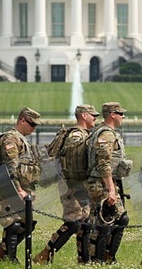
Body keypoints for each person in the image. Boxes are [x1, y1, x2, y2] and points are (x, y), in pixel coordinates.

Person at [35, 103, 98, 264]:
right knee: (73, 222)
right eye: (93, 115)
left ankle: (84, 260)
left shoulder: (83, 134)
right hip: (71, 184)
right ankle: (45, 254)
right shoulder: (76, 136)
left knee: (85, 222)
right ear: (83, 116)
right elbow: (72, 162)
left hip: (80, 184)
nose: (95, 118)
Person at [0, 107, 43, 263]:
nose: (34, 128)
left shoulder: (21, 138)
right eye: (32, 124)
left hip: (24, 187)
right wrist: (18, 189)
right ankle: (9, 258)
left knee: (27, 223)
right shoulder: (11, 139)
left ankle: (1, 255)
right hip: (10, 186)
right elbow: (10, 166)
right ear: (22, 120)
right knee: (13, 223)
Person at [85, 102, 132, 263]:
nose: (123, 117)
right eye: (120, 113)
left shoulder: (103, 132)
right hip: (101, 184)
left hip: (103, 183)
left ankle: (105, 257)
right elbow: (103, 163)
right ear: (112, 114)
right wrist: (111, 189)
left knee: (112, 220)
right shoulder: (106, 134)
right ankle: (100, 258)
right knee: (105, 222)